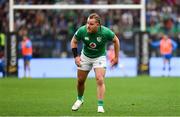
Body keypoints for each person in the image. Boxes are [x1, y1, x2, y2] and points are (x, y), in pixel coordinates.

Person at [71, 13, 120, 113]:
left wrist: (116, 57)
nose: (88, 26)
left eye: (91, 24)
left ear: (98, 25)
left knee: (100, 79)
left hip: (99, 57)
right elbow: (74, 41)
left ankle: (100, 105)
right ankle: (80, 99)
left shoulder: (105, 32)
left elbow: (116, 41)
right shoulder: (82, 30)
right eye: (88, 23)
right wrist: (76, 56)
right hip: (85, 56)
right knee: (80, 81)